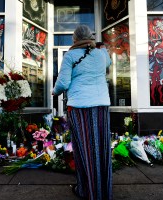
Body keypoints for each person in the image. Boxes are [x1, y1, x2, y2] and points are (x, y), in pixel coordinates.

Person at [52, 25, 112, 200]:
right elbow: (108, 61)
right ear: (91, 37)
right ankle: (103, 191)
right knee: (101, 148)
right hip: (101, 107)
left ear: (75, 39)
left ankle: (87, 191)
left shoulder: (70, 56)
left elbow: (62, 83)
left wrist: (54, 92)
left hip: (80, 108)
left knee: (84, 149)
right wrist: (102, 48)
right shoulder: (101, 54)